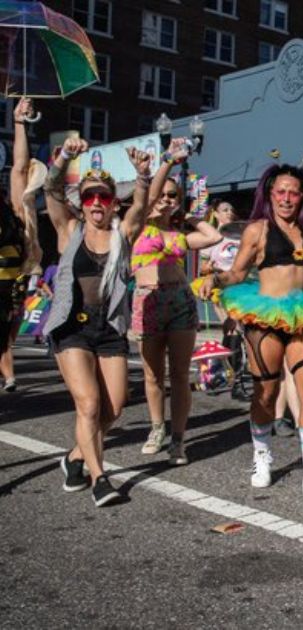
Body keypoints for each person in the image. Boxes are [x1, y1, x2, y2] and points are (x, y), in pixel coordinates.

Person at [198, 163, 303, 504]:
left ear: (302, 195)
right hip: (265, 319)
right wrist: (214, 279)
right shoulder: (258, 230)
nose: (287, 198)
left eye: (293, 192)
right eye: (281, 192)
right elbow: (236, 273)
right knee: (265, 394)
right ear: (270, 194)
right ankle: (262, 454)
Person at [42, 132, 153, 507]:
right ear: (82, 202)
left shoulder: (123, 234)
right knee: (88, 404)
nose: (95, 203)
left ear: (111, 202)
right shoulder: (69, 229)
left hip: (108, 329)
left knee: (115, 407)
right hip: (72, 327)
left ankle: (74, 456)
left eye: (102, 197)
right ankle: (99, 478)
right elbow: (52, 193)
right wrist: (62, 161)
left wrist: (142, 176)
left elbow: (141, 207)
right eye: (88, 196)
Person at [134, 140, 222, 464]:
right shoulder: (140, 225)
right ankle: (156, 428)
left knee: (180, 374)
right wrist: (168, 161)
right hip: (148, 301)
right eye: (164, 195)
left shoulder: (179, 235)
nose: (167, 200)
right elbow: (150, 195)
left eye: (174, 196)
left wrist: (187, 214)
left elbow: (213, 237)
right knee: (153, 375)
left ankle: (178, 440)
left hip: (180, 301)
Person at [1, 99, 43, 392]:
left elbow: (19, 168)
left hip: (11, 285)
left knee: (7, 337)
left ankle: (8, 373)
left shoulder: (15, 212)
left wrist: (19, 123)